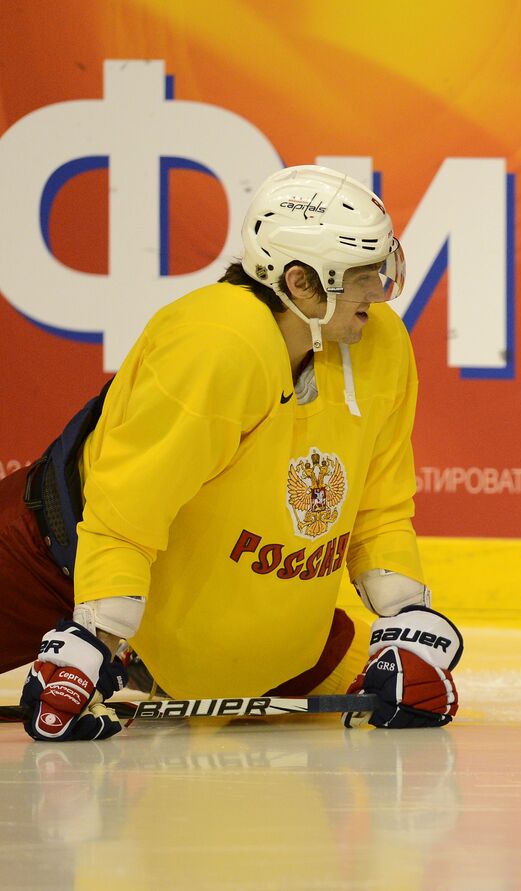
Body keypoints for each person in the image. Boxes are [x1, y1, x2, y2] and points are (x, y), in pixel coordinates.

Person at [1, 165, 462, 741]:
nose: (380, 291)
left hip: (232, 598)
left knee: (405, 697)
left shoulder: (381, 342)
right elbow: (124, 514)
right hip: (56, 558)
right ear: (299, 281)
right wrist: (94, 637)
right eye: (362, 276)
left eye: (382, 266)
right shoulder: (215, 345)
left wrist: (404, 622)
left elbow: (380, 507)